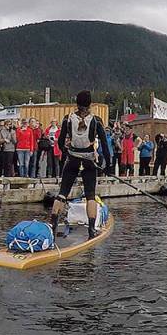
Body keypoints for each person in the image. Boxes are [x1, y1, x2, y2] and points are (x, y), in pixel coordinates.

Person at [51, 91, 112, 236]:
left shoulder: (68, 119)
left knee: (62, 193)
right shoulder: (96, 120)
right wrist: (107, 165)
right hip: (89, 161)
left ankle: (53, 226)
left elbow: (60, 142)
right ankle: (91, 230)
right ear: (90, 104)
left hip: (72, 160)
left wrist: (66, 154)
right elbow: (104, 145)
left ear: (77, 103)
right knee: (90, 195)